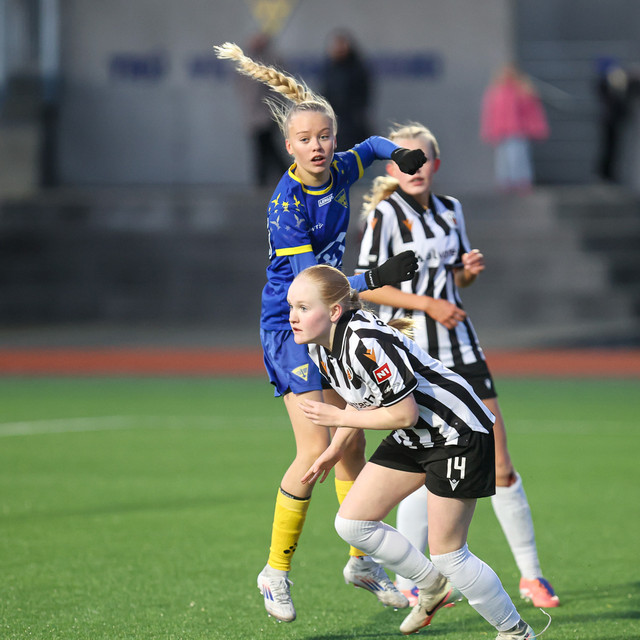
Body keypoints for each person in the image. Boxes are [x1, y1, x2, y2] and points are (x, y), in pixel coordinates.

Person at [213, 42, 425, 623]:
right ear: (289, 147)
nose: (317, 146)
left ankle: (362, 560)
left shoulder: (340, 169)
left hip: (328, 319)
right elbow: (315, 287)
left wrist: (398, 155)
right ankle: (274, 572)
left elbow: (372, 147)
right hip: (294, 324)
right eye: (305, 139)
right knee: (314, 450)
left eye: (325, 136)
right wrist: (377, 277)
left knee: (351, 443)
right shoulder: (286, 205)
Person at [355, 122, 560, 610]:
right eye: (404, 160)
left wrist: (466, 273)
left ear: (436, 164)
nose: (415, 168)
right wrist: (427, 305)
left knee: (501, 462)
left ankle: (531, 576)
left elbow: (456, 280)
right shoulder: (386, 215)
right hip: (412, 353)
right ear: (392, 169)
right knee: (420, 462)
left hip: (462, 349)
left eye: (422, 159)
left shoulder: (451, 209)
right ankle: (412, 582)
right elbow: (366, 284)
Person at [292, 264, 544, 640]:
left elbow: (403, 414)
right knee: (352, 523)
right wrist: (335, 447)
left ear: (334, 311)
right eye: (291, 307)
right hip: (417, 434)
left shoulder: (365, 341)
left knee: (449, 554)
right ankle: (433, 587)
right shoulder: (320, 347)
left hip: (457, 432)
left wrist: (337, 416)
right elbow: (363, 400)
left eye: (303, 307)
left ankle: (516, 633)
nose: (293, 317)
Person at [480, 64, 549, 193]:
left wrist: (535, 127)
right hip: (502, 131)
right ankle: (506, 182)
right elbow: (491, 113)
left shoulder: (522, 90)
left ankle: (521, 181)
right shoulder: (497, 91)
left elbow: (531, 111)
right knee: (503, 159)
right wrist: (490, 130)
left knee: (518, 157)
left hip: (517, 130)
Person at [235, 32, 289, 186]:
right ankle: (265, 181)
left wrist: (275, 109)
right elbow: (242, 87)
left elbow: (281, 89)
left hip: (268, 114)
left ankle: (268, 180)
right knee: (263, 149)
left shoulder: (272, 61)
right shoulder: (247, 62)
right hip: (254, 115)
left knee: (269, 148)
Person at [320, 29, 373, 152]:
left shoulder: (357, 68)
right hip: (334, 121)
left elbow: (364, 95)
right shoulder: (329, 69)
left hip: (353, 124)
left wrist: (357, 115)